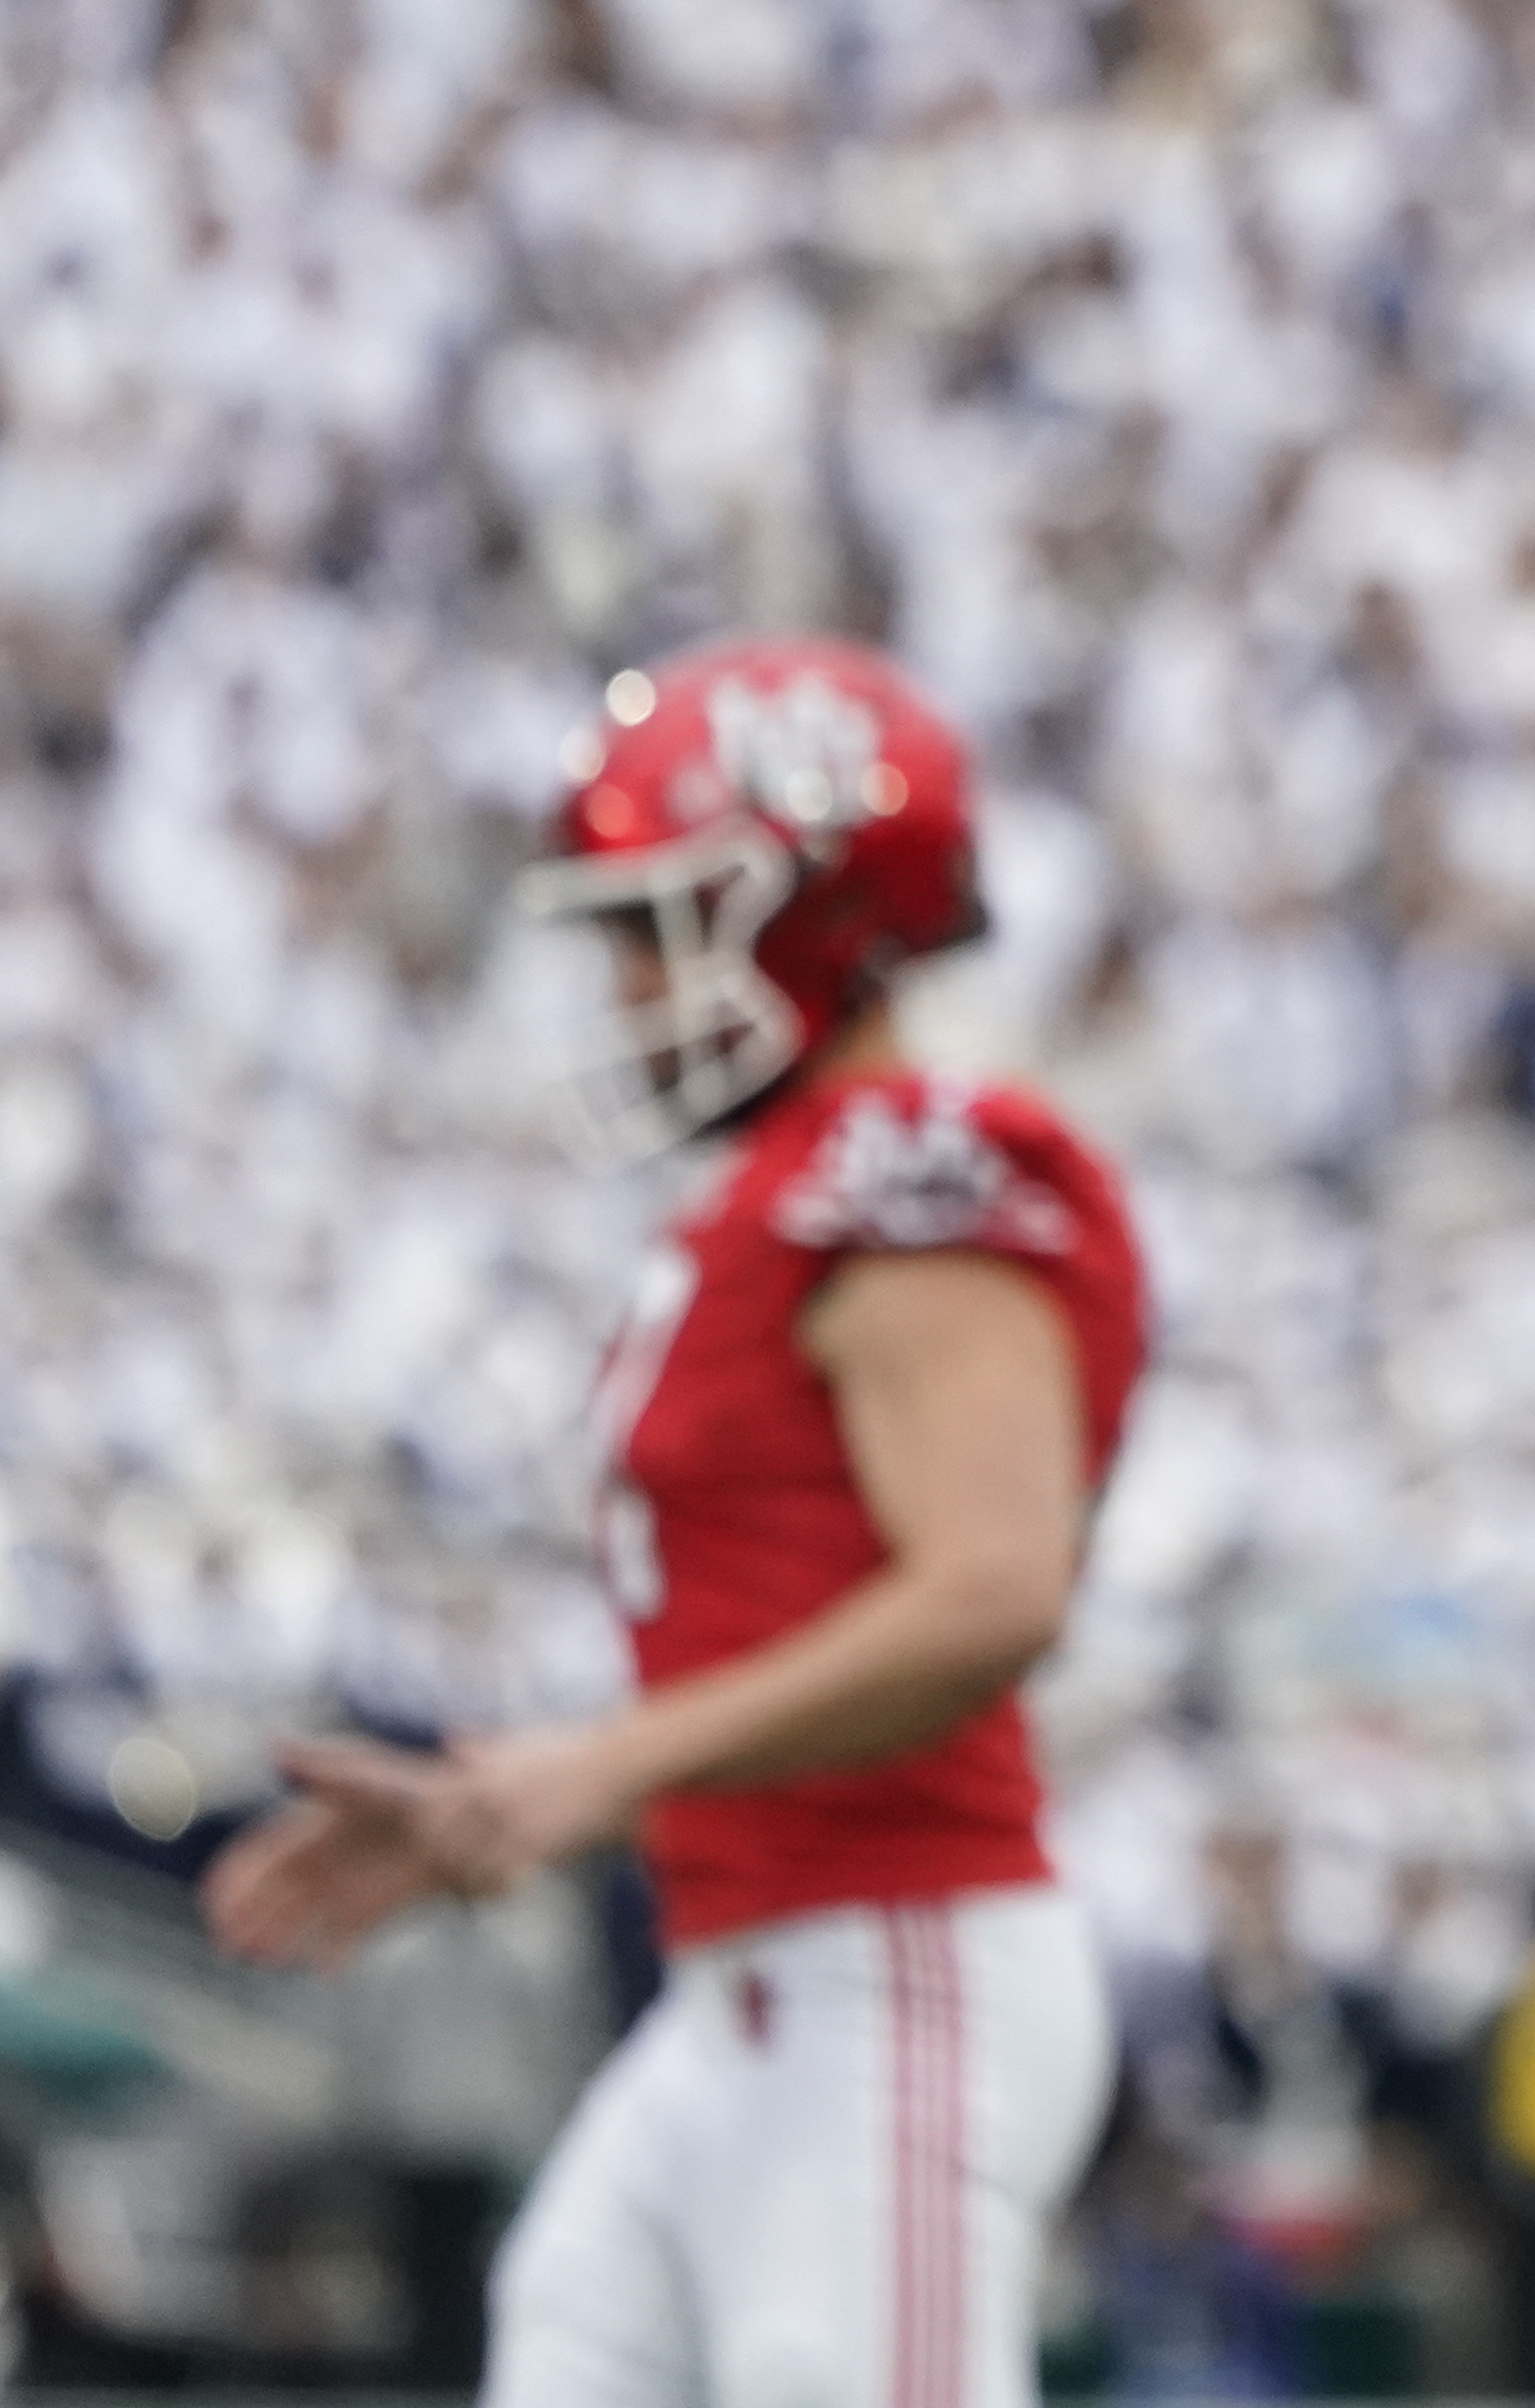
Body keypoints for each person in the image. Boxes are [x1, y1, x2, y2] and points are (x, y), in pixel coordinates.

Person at [205, 639, 1152, 2408]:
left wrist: (601, 1768)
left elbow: (995, 1589)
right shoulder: (781, 1192)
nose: (626, 985)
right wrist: (533, 1790)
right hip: (742, 1989)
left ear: (804, 906)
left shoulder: (924, 1165)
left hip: (896, 1963)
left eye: (652, 927)